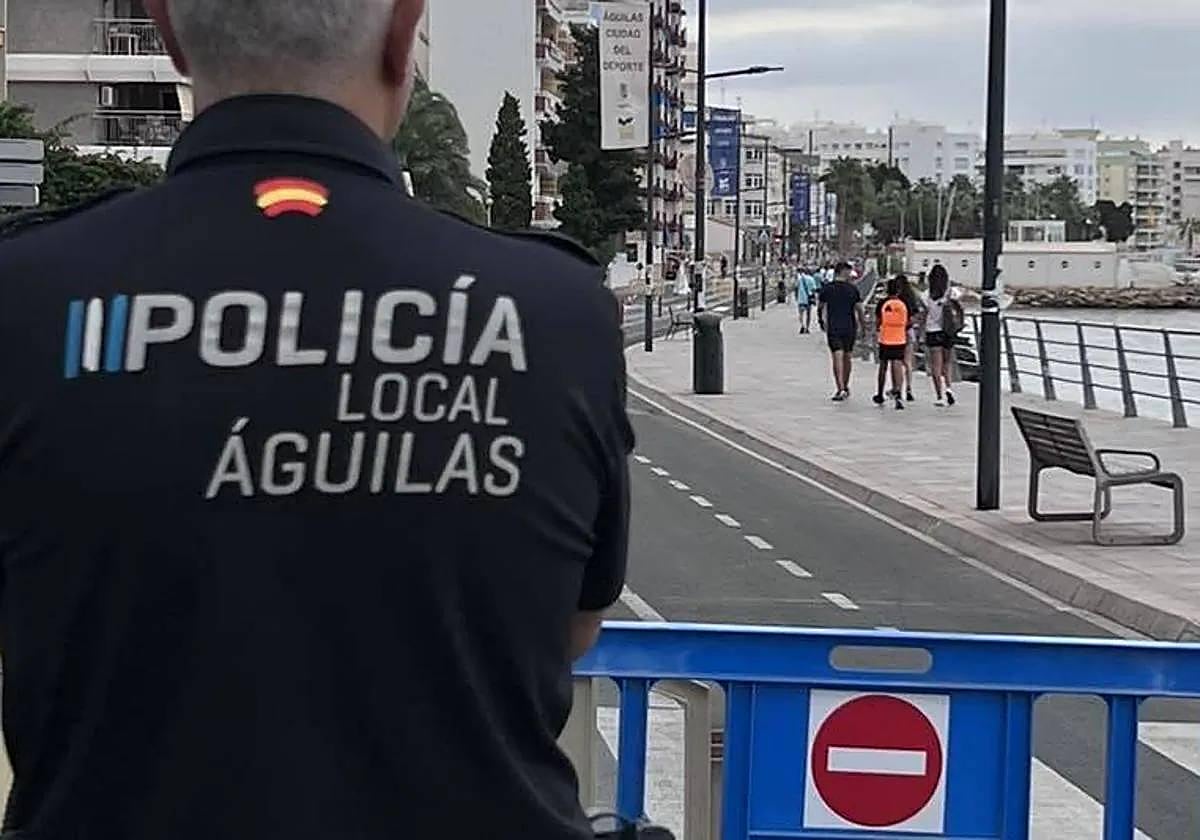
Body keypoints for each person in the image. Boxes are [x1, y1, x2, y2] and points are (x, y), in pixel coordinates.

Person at [0, 1, 634, 838]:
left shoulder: (29, 297)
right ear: (404, 33)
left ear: (167, 31)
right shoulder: (555, 313)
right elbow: (576, 625)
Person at [818, 261, 865, 401]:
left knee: (837, 357)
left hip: (833, 327)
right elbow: (860, 309)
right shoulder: (853, 289)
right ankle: (845, 385)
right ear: (843, 272)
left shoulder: (827, 289)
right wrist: (863, 326)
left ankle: (840, 388)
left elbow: (820, 307)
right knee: (847, 357)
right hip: (849, 327)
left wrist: (821, 321)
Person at [924, 263, 959, 407]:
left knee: (935, 367)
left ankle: (939, 396)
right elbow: (959, 308)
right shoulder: (951, 293)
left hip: (932, 331)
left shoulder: (926, 295)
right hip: (948, 331)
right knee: (947, 363)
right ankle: (949, 388)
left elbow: (924, 314)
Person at [874, 276, 910, 410]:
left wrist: (878, 328)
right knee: (897, 365)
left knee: (883, 367)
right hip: (899, 338)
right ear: (899, 291)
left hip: (885, 338)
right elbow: (908, 321)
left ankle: (879, 393)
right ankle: (898, 393)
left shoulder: (882, 304)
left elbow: (878, 321)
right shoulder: (903, 304)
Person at [893, 273, 924, 402]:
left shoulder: (896, 299)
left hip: (897, 331)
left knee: (897, 361)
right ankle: (909, 388)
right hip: (909, 330)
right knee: (908, 362)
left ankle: (897, 388)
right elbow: (917, 315)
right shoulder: (912, 297)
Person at [795, 266, 819, 334]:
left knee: (801, 314)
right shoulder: (811, 279)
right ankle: (807, 328)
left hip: (801, 298)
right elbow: (814, 289)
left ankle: (802, 325)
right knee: (808, 314)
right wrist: (814, 298)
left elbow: (796, 288)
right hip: (808, 299)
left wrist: (796, 297)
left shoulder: (800, 279)